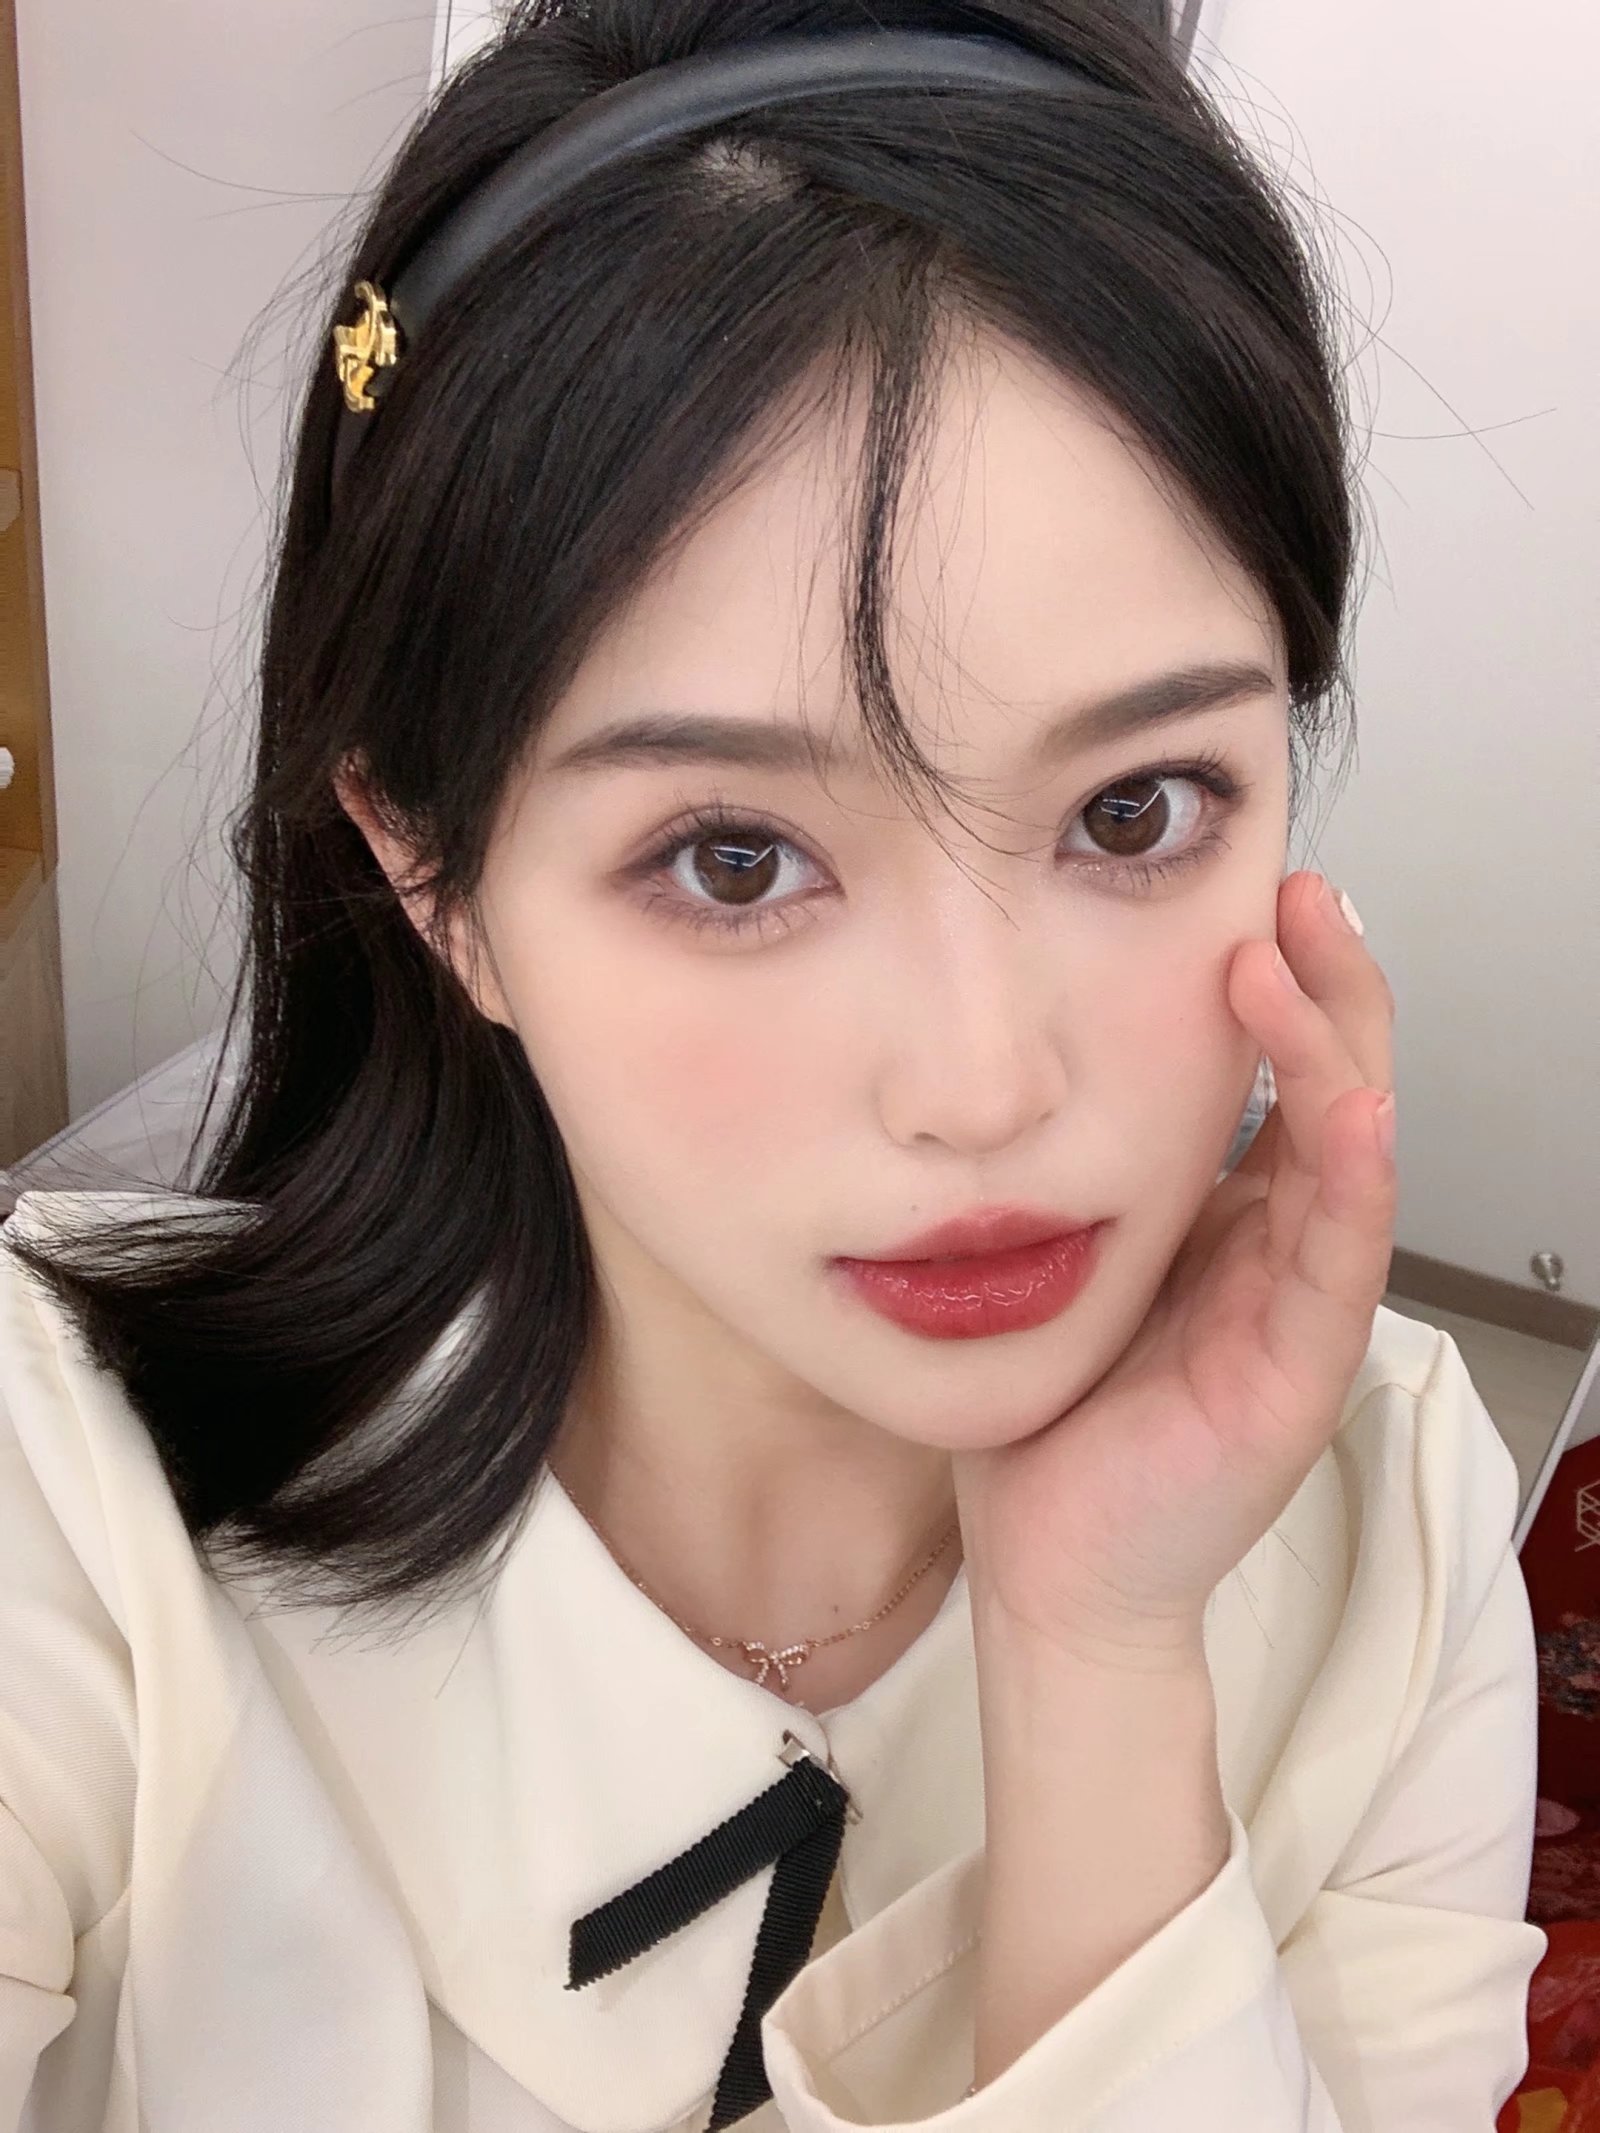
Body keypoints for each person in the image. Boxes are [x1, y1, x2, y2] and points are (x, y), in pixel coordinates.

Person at [0, 2, 1545, 2127]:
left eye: (1136, 809)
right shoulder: (66, 1499)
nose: (983, 1086)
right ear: (434, 873)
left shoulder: (1391, 1516)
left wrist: (1097, 1661)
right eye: (734, 858)